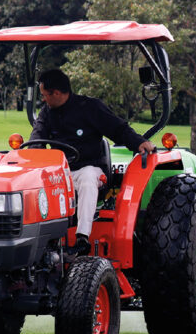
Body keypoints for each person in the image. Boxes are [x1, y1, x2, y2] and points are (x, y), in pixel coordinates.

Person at [30, 69, 156, 252]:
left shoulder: (90, 107)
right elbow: (37, 139)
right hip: (60, 172)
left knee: (88, 176)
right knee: (35, 181)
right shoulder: (47, 113)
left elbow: (118, 129)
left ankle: (82, 236)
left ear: (56, 93)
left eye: (44, 95)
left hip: (90, 169)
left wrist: (139, 143)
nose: (44, 100)